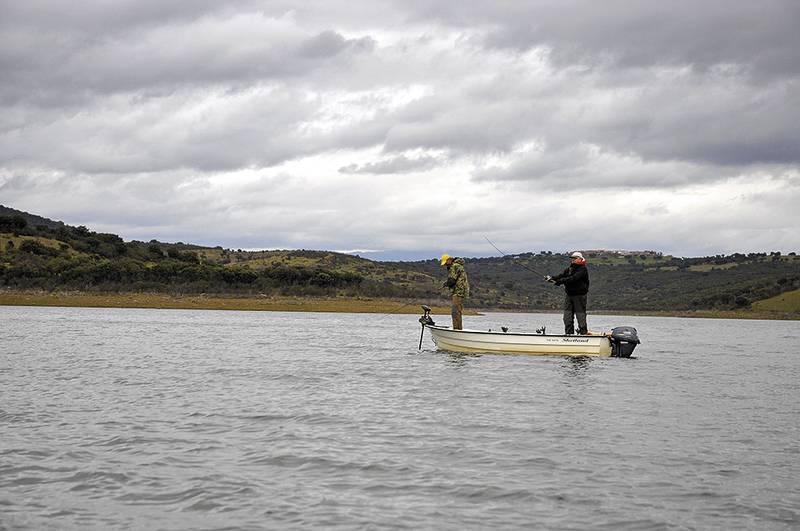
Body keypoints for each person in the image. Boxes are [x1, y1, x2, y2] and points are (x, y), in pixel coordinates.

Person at [546, 251, 590, 335]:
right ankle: (569, 335)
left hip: (579, 296)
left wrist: (559, 282)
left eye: (575, 258)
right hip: (569, 296)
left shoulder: (583, 269)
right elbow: (561, 276)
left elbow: (573, 279)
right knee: (567, 318)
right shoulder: (569, 269)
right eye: (572, 258)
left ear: (580, 259)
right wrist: (551, 278)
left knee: (580, 317)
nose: (573, 260)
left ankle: (584, 334)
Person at [440, 253, 469, 330]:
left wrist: (446, 284)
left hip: (458, 291)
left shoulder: (454, 266)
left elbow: (452, 280)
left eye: (446, 263)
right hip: (460, 291)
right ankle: (458, 328)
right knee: (457, 310)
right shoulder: (457, 265)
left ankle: (456, 329)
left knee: (455, 311)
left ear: (449, 260)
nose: (446, 265)